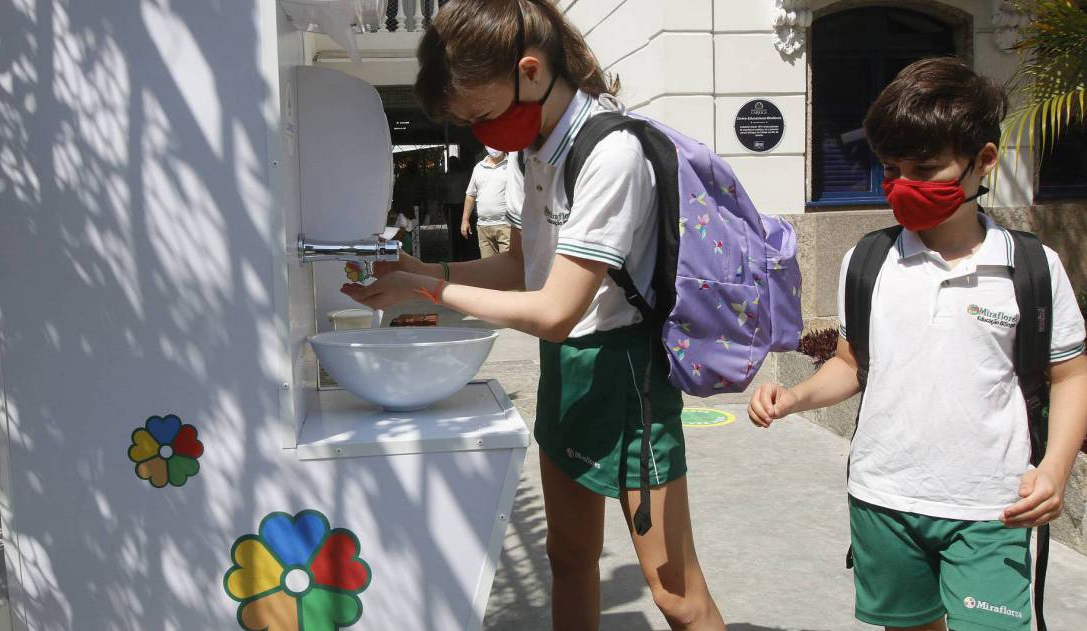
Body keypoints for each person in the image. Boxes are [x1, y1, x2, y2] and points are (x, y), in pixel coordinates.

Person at [341, 1, 725, 629]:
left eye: (483, 114)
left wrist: (430, 292)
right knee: (569, 558)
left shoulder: (611, 153)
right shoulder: (533, 152)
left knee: (673, 590)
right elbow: (522, 269)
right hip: (567, 369)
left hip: (627, 375)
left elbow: (553, 310)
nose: (480, 133)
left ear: (530, 70)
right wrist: (420, 272)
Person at [747, 58, 1087, 631]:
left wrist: (1053, 467)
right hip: (884, 498)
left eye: (925, 168)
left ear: (983, 161)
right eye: (891, 168)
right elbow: (853, 367)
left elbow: (1070, 376)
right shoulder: (868, 260)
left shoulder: (1031, 266)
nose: (904, 184)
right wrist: (794, 398)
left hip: (991, 508)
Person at [463, 147, 513, 258]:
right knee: (488, 268)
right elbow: (471, 195)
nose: (494, 146)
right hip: (483, 227)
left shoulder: (513, 165)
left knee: (507, 267)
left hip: (506, 226)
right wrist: (465, 220)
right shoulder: (478, 168)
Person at [442, 155, 478, 261]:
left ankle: (465, 253)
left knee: (462, 230)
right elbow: (443, 191)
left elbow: (468, 192)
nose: (451, 165)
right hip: (449, 206)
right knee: (452, 231)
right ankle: (455, 253)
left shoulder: (463, 176)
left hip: (460, 205)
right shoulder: (446, 176)